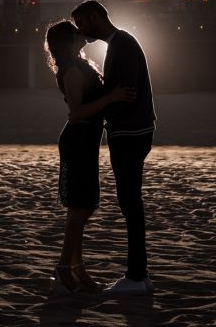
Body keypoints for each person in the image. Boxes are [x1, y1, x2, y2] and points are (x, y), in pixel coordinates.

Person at [71, 0, 156, 295]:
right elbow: (120, 91)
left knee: (130, 203)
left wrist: (101, 109)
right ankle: (139, 275)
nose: (80, 31)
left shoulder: (123, 44)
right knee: (131, 203)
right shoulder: (120, 44)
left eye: (82, 23)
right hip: (135, 130)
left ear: (95, 16)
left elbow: (126, 93)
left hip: (130, 133)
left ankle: (135, 276)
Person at [44, 20, 135, 294]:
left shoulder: (81, 64)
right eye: (75, 32)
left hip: (87, 140)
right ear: (67, 42)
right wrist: (112, 98)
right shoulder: (71, 70)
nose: (81, 33)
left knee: (82, 206)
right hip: (77, 139)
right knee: (80, 206)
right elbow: (77, 112)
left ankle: (76, 267)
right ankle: (63, 268)